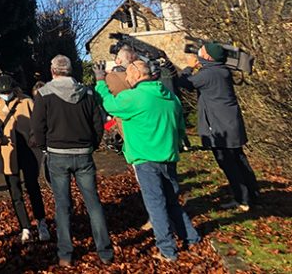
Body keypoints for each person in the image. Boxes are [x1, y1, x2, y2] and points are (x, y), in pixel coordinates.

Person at [95, 59, 199, 262]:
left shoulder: (133, 98)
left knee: (155, 205)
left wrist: (100, 81)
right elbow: (180, 128)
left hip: (145, 159)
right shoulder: (170, 97)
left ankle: (167, 250)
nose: (126, 78)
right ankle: (191, 238)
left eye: (128, 75)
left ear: (136, 75)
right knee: (172, 202)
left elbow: (108, 103)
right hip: (169, 157)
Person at [31, 55, 114, 267]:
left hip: (57, 154)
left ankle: (65, 253)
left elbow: (38, 127)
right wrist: (92, 145)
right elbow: (98, 122)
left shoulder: (43, 95)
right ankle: (104, 251)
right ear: (70, 70)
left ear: (52, 71)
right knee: (93, 203)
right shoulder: (87, 93)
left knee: (63, 205)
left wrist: (44, 147)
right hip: (83, 152)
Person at [175, 41, 259, 210]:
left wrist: (189, 67)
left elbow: (184, 83)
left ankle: (242, 199)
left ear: (208, 56)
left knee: (228, 163)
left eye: (202, 51)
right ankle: (253, 194)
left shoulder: (209, 74)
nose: (198, 53)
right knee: (239, 159)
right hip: (230, 123)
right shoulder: (220, 70)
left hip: (220, 126)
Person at [0, 74, 49, 244]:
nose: (6, 95)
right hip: (7, 153)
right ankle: (25, 227)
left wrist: (36, 138)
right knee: (15, 193)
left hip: (28, 152)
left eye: (9, 92)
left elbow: (39, 123)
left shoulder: (26, 102)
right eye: (2, 92)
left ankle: (41, 222)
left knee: (33, 188)